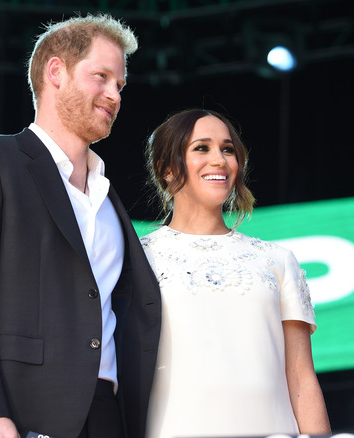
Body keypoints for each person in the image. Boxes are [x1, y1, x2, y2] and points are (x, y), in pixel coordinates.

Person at [0, 13, 162, 438]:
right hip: (23, 413)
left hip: (111, 416)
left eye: (120, 85)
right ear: (56, 71)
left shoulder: (110, 200)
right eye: (102, 76)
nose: (114, 94)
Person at [140, 108, 331, 437]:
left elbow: (301, 378)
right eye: (202, 148)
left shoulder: (277, 259)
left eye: (228, 149)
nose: (219, 159)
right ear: (167, 169)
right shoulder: (137, 260)